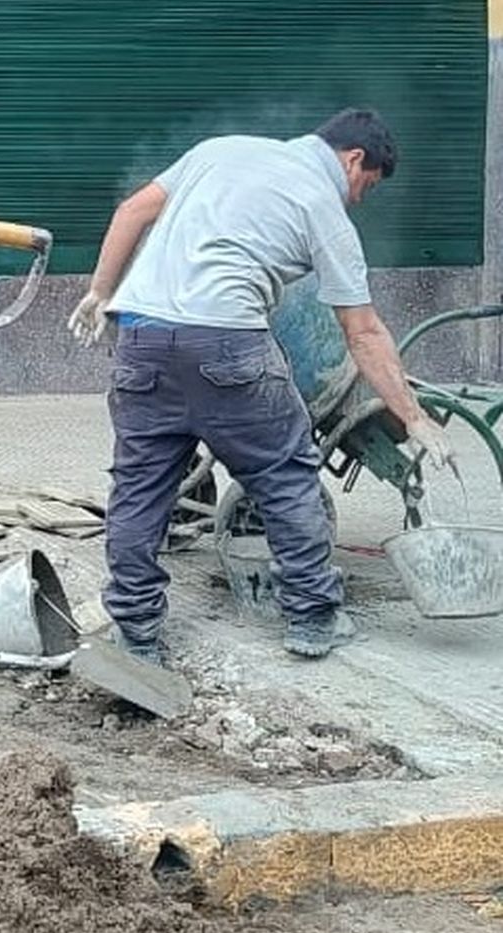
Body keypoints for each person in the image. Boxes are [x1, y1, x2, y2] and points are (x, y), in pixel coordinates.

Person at [67, 108, 452, 662]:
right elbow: (363, 333)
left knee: (139, 487)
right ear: (354, 159)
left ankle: (135, 631)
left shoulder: (218, 150)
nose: (360, 198)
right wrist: (412, 416)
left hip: (140, 337)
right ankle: (313, 617)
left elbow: (133, 210)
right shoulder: (325, 209)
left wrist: (101, 292)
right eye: (365, 186)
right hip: (228, 345)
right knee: (285, 473)